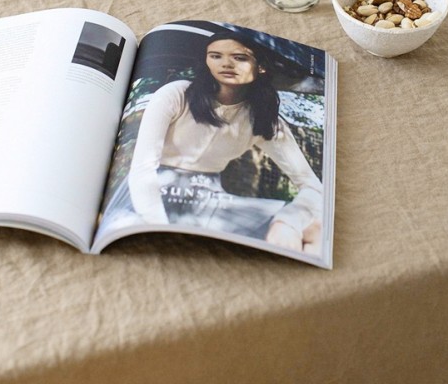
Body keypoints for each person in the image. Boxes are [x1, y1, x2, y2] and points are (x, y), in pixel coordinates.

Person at [123, 29, 323, 255]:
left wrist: (287, 223)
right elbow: (142, 168)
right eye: (215, 56)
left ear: (261, 67)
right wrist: (157, 225)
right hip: (149, 190)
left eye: (239, 57)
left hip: (209, 199)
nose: (226, 64)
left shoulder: (265, 120)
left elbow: (313, 186)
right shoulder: (176, 94)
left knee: (312, 231)